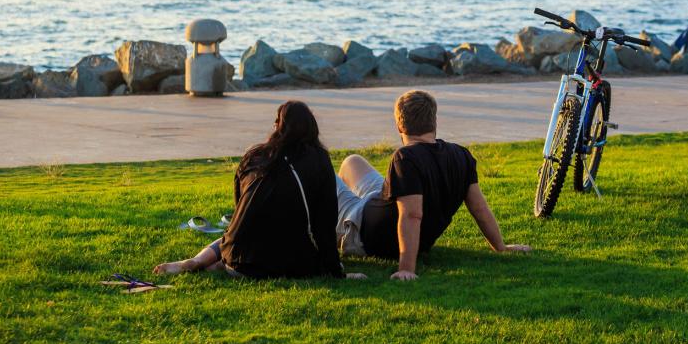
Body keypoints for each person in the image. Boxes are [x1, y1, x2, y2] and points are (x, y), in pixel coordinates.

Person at [335, 90, 530, 280]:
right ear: (434, 121)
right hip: (377, 203)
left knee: (329, 175)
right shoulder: (461, 155)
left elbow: (412, 215)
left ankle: (325, 231)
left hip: (361, 230)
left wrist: (407, 269)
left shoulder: (405, 158)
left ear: (399, 126)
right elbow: (479, 208)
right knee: (352, 161)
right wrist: (500, 247)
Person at [154, 101, 353, 280]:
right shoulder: (319, 158)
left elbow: (239, 208)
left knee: (232, 235)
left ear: (277, 126)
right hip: (286, 264)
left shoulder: (255, 155)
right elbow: (324, 224)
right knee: (290, 242)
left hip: (237, 257)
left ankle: (199, 261)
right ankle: (219, 265)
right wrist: (336, 270)